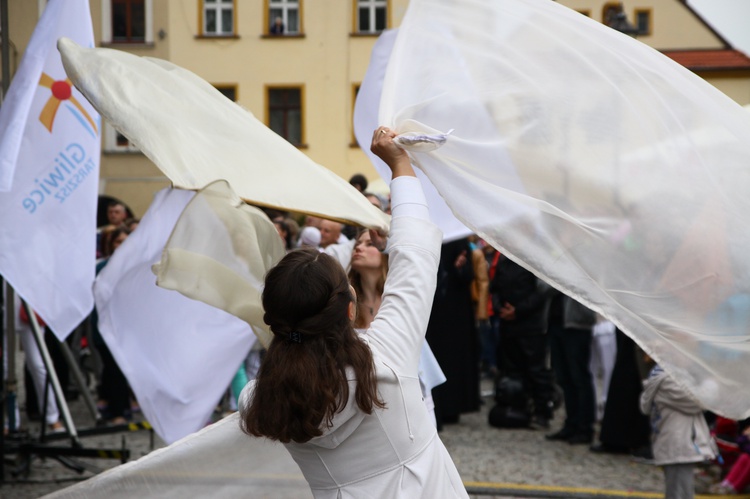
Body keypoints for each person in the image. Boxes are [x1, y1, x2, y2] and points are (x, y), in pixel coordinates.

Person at [239, 127, 467, 497]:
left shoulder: (260, 398)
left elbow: (411, 263)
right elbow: (414, 259)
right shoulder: (386, 362)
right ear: (349, 310)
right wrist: (399, 165)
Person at [348, 228, 445, 427]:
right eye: (357, 243)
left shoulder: (400, 297)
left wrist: (389, 246)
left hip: (408, 393)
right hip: (365, 401)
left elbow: (417, 268)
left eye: (369, 244)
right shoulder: (344, 303)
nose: (359, 247)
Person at [490, 254, 555, 429]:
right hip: (508, 326)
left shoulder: (534, 260)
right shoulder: (504, 262)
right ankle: (519, 408)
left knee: (536, 370)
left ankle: (543, 411)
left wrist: (518, 310)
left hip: (530, 326)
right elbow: (494, 289)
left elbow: (541, 294)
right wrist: (499, 308)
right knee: (512, 370)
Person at [640, 363, 717, 499]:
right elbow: (697, 402)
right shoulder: (667, 379)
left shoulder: (669, 373)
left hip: (678, 443)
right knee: (680, 494)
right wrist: (711, 382)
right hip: (678, 446)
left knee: (681, 492)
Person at [545, 293, 597, 444]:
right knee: (564, 379)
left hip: (577, 324)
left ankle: (585, 428)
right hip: (556, 323)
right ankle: (571, 423)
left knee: (579, 378)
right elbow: (542, 285)